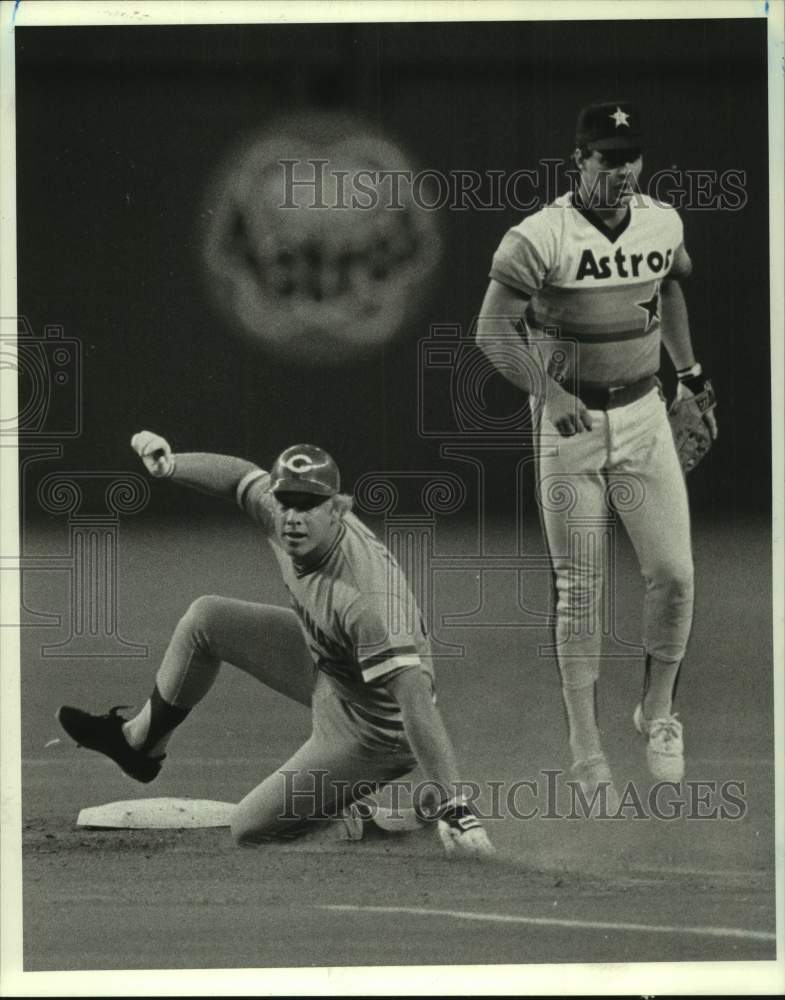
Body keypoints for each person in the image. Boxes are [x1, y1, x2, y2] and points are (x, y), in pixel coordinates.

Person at [57, 432, 493, 856]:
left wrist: (456, 804)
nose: (293, 517)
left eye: (309, 505)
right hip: (335, 669)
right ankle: (139, 746)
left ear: (338, 510)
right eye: (286, 502)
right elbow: (240, 477)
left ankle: (386, 823)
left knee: (250, 827)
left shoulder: (366, 598)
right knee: (207, 619)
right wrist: (172, 466)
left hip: (375, 730)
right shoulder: (286, 513)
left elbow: (415, 699)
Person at [475, 101, 718, 803]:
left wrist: (691, 374)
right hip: (568, 427)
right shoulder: (538, 236)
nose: (621, 169)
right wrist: (549, 395)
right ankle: (585, 748)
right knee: (581, 593)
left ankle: (658, 712)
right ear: (577, 161)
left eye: (630, 156)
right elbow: (491, 332)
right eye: (606, 157)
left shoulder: (661, 221)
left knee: (673, 574)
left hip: (643, 412)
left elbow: (667, 286)